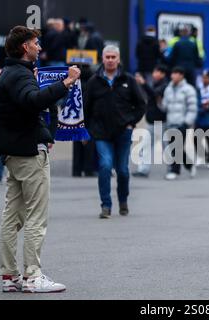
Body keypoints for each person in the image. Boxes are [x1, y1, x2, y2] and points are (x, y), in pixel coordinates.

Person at [0, 26, 81, 292]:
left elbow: (21, 111)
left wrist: (44, 133)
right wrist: (66, 82)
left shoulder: (9, 72)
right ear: (24, 47)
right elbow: (33, 101)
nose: (39, 47)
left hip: (13, 151)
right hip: (28, 153)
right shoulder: (21, 74)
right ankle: (32, 276)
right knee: (36, 217)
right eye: (35, 43)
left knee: (12, 216)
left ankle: (9, 276)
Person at [84, 45, 147, 219]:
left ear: (118, 59)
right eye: (107, 57)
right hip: (101, 133)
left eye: (113, 57)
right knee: (104, 166)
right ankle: (105, 205)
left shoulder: (128, 80)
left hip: (123, 132)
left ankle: (123, 200)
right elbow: (85, 108)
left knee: (123, 170)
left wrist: (131, 122)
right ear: (102, 59)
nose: (110, 60)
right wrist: (86, 131)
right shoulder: (93, 82)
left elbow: (141, 104)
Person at [132, 64, 169, 177]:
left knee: (166, 146)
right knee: (146, 145)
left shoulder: (165, 85)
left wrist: (143, 83)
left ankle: (173, 168)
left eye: (157, 72)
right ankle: (143, 169)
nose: (154, 74)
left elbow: (154, 94)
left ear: (162, 74)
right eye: (154, 72)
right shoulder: (156, 84)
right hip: (152, 121)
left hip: (161, 121)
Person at [161, 66, 197, 180]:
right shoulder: (168, 88)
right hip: (170, 122)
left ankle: (175, 171)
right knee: (175, 147)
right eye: (172, 73)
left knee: (177, 146)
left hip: (182, 123)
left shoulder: (189, 89)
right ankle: (190, 165)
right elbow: (164, 106)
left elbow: (192, 108)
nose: (173, 76)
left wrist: (187, 122)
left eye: (176, 73)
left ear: (181, 75)